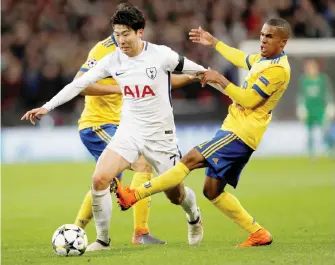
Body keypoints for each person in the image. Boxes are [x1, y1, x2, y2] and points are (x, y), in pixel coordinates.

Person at [21, 3, 208, 251]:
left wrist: (214, 79)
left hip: (160, 135)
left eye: (125, 34)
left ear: (140, 32)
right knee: (100, 178)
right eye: (116, 34)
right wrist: (47, 107)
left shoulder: (161, 55)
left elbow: (200, 71)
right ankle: (103, 240)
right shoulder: (110, 58)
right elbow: (79, 84)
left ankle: (193, 215)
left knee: (176, 196)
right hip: (128, 130)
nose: (120, 40)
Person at [112, 17, 292, 248]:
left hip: (240, 133)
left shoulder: (277, 70)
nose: (263, 40)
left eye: (269, 37)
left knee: (189, 159)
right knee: (212, 191)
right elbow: (242, 58)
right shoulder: (264, 60)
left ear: (283, 43)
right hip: (237, 131)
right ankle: (258, 233)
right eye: (262, 35)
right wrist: (214, 42)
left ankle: (134, 195)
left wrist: (220, 79)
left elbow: (248, 100)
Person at [73, 33, 197, 245]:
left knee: (109, 179)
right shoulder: (102, 50)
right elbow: (79, 84)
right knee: (141, 165)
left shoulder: (140, 53)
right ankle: (136, 233)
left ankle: (77, 231)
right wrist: (119, 89)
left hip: (123, 126)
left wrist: (191, 76)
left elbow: (160, 80)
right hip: (99, 124)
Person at [296, 59, 335, 157]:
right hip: (309, 110)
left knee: (325, 130)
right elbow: (301, 96)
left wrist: (330, 105)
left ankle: (330, 149)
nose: (310, 70)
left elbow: (328, 93)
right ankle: (311, 152)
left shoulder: (323, 79)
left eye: (312, 67)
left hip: (320, 109)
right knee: (310, 132)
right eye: (308, 68)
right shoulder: (303, 80)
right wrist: (301, 108)